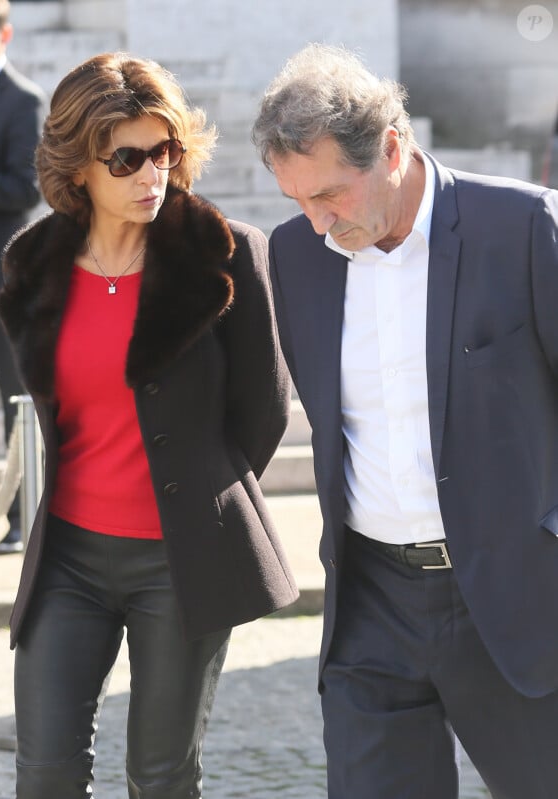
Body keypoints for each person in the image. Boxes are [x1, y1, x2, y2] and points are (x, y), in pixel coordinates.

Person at [252, 43, 558, 799]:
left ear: (392, 146)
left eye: (330, 195)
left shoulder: (520, 227)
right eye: (297, 201)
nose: (318, 223)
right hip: (371, 607)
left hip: (516, 600)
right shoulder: (296, 255)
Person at [0, 51, 298, 799]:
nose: (151, 173)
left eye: (163, 150)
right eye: (127, 157)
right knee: (44, 774)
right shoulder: (32, 266)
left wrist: (195, 498)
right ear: (77, 168)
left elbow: (262, 413)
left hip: (182, 558)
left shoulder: (228, 257)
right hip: (68, 559)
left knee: (161, 778)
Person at [0, 0, 45, 554]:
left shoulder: (23, 100)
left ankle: (24, 523)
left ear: (5, 34)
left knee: (16, 404)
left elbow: (26, 189)